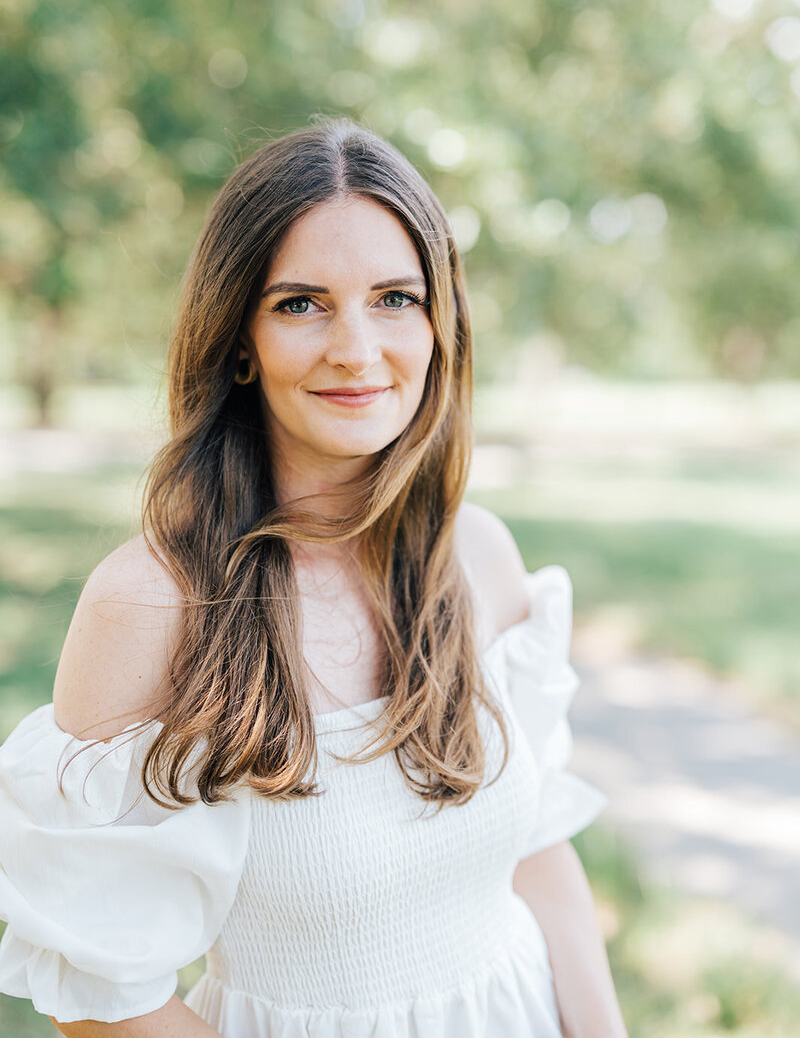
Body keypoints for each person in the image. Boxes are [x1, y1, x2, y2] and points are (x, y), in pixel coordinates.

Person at [0, 118, 628, 1038]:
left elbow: (535, 848)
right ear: (240, 337)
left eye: (394, 298)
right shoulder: (154, 605)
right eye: (301, 303)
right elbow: (106, 999)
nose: (356, 348)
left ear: (438, 320)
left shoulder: (478, 558)